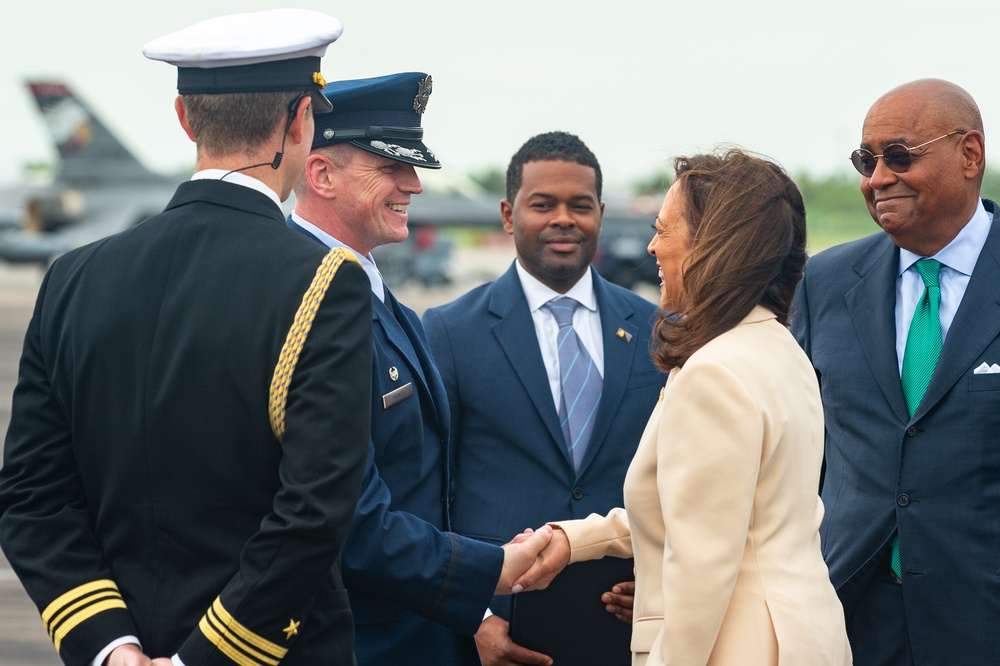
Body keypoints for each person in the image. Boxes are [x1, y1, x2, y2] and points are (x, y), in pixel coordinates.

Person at [0, 9, 376, 666]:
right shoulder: (323, 280)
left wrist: (113, 647)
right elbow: (315, 509)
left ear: (183, 118)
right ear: (300, 123)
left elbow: (33, 497)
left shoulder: (72, 278)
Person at [518, 149, 853, 666]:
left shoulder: (713, 372)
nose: (651, 245)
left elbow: (703, 569)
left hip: (739, 645)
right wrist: (578, 539)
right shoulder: (779, 348)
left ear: (710, 246)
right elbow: (719, 509)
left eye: (663, 229)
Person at [288, 73, 552, 666]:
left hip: (414, 632)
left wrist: (469, 611)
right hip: (358, 642)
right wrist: (489, 572)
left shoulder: (375, 295)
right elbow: (349, 518)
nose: (414, 184)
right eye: (390, 167)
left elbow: (420, 487)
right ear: (321, 173)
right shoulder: (300, 296)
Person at [423, 131, 663, 665]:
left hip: (625, 620)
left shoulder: (655, 329)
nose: (563, 219)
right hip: (502, 626)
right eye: (542, 204)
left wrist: (659, 583)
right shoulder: (450, 331)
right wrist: (473, 617)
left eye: (580, 205)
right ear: (509, 215)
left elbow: (675, 480)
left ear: (600, 214)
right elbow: (428, 494)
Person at [792, 78, 999, 665]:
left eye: (900, 156)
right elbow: (798, 455)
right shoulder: (825, 283)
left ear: (969, 154)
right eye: (867, 159)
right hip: (852, 616)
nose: (876, 178)